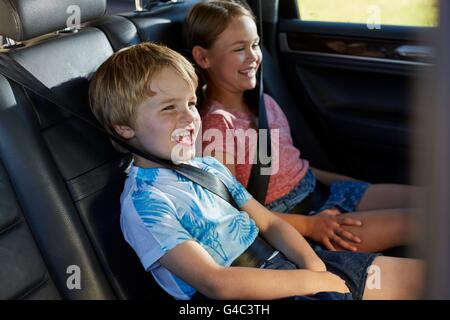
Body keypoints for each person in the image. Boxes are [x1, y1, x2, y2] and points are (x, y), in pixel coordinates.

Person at [88, 42, 424, 300]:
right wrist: (309, 281)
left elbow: (271, 222)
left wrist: (314, 266)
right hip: (246, 294)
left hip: (293, 265)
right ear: (124, 128)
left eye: (190, 103)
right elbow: (215, 283)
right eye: (168, 108)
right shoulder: (145, 204)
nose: (190, 117)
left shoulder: (208, 167)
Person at [186, 0, 417, 253]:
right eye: (239, 49)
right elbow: (232, 213)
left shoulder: (264, 103)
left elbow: (294, 165)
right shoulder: (217, 128)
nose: (254, 56)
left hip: (324, 192)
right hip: (296, 224)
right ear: (203, 57)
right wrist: (309, 226)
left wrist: (353, 184)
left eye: (254, 44)